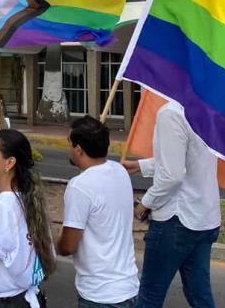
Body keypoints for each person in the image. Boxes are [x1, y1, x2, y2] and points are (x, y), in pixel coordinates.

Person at [122, 101, 220, 308]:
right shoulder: (206, 108)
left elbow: (172, 176)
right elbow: (187, 159)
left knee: (150, 296)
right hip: (204, 218)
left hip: (175, 219)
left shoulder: (171, 113)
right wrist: (140, 166)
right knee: (200, 296)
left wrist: (144, 204)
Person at [57, 116, 138, 308]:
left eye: (69, 144)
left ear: (79, 149)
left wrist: (51, 244)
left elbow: (68, 246)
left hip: (100, 295)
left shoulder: (79, 186)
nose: (68, 149)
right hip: (129, 287)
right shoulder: (119, 171)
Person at [0, 129, 55, 308]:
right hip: (26, 298)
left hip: (6, 302)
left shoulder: (2, 208)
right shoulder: (26, 198)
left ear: (9, 163)